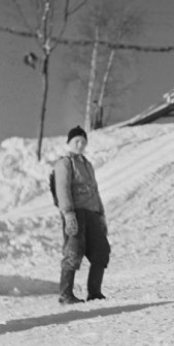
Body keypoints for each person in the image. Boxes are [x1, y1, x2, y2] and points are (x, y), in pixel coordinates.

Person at [53, 126, 111, 304]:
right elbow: (62, 189)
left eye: (83, 141)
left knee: (101, 250)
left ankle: (94, 293)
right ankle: (65, 294)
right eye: (76, 141)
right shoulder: (64, 163)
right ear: (69, 143)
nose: (80, 144)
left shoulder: (87, 165)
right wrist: (68, 213)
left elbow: (95, 191)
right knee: (73, 250)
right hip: (75, 212)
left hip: (92, 214)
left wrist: (101, 216)